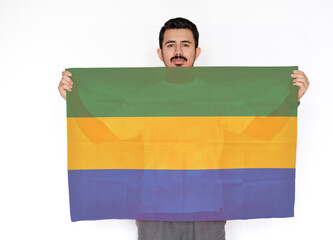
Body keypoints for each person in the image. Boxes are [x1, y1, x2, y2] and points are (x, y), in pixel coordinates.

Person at [58, 17, 310, 240]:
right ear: (160, 53)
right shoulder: (142, 98)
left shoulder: (218, 96)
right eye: (171, 45)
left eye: (185, 45)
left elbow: (260, 132)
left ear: (197, 52)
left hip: (207, 207)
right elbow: (103, 135)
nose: (178, 51)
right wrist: (75, 100)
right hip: (154, 210)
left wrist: (290, 99)